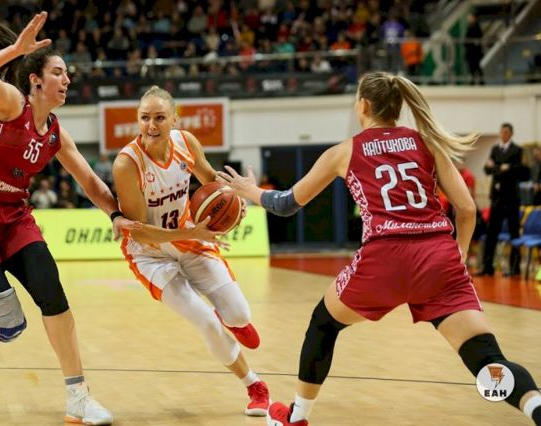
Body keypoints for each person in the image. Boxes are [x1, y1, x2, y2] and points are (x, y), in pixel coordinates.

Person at [218, 71, 541, 426]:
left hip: (384, 257)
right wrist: (459, 256)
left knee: (323, 324)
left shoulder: (344, 151)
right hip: (438, 256)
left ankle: (297, 416)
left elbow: (285, 204)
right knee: (486, 358)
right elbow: (466, 210)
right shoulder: (426, 142)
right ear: (397, 106)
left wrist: (250, 191)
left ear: (363, 106)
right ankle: (535, 406)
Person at [0, 12, 140, 425]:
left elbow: (90, 182)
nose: (66, 79)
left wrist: (116, 215)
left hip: (14, 217)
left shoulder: (54, 132)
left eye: (67, 74)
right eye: (58, 72)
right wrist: (16, 49)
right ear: (35, 80)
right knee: (10, 326)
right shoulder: (10, 103)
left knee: (53, 292)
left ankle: (78, 398)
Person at [112, 85, 270, 417]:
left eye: (159, 118)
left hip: (189, 238)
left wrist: (235, 202)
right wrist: (193, 231)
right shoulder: (127, 164)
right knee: (206, 322)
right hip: (149, 253)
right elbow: (139, 230)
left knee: (239, 314)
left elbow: (212, 184)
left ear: (174, 119)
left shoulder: (186, 143)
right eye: (144, 118)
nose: (151, 125)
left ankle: (234, 319)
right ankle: (254, 385)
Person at [477, 123, 525, 277]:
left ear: (511, 134)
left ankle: (515, 267)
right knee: (492, 232)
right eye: (502, 132)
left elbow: (518, 171)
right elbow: (487, 169)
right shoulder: (495, 149)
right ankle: (487, 266)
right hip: (496, 198)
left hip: (511, 198)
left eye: (506, 132)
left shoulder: (517, 150)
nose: (503, 134)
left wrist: (499, 168)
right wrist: (502, 168)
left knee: (514, 232)